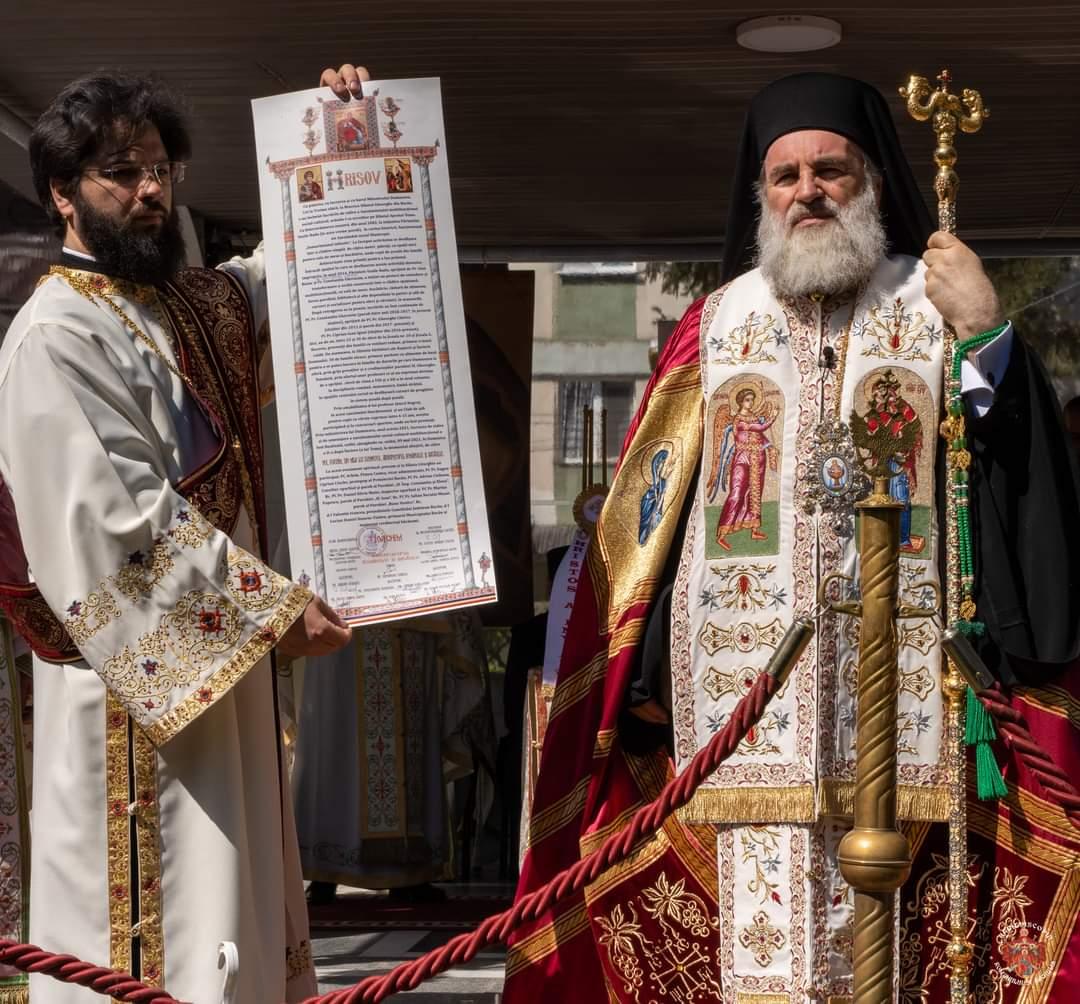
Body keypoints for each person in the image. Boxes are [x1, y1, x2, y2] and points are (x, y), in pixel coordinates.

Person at [506, 73, 1080, 1003]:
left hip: (912, 705)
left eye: (830, 170)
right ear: (761, 194)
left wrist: (987, 334)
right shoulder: (718, 323)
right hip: (741, 710)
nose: (806, 191)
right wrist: (641, 667)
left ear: (875, 184)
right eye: (785, 176)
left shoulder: (935, 305)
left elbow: (1019, 473)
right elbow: (650, 511)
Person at [0, 67, 368, 1002]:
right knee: (159, 935)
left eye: (161, 167)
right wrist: (274, 612)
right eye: (120, 172)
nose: (151, 190)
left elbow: (303, 280)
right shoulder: (54, 334)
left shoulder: (192, 308)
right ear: (61, 192)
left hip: (227, 670)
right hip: (135, 691)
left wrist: (340, 141)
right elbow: (114, 521)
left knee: (232, 917)